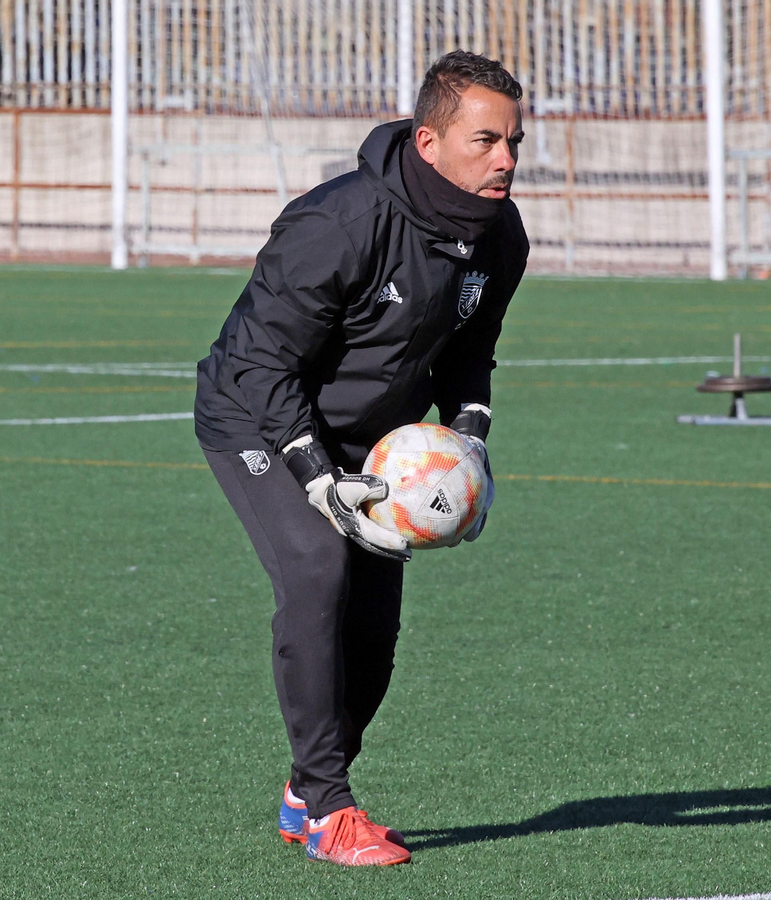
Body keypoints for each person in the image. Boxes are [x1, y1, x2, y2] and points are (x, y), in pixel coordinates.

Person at [193, 50, 530, 867]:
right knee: (318, 572)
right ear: (427, 142)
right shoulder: (336, 224)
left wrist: (470, 443)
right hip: (256, 418)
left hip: (371, 440)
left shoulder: (501, 235)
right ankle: (329, 809)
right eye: (485, 140)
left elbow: (470, 350)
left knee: (374, 637)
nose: (507, 160)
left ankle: (307, 791)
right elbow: (261, 364)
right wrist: (315, 477)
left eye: (516, 141)